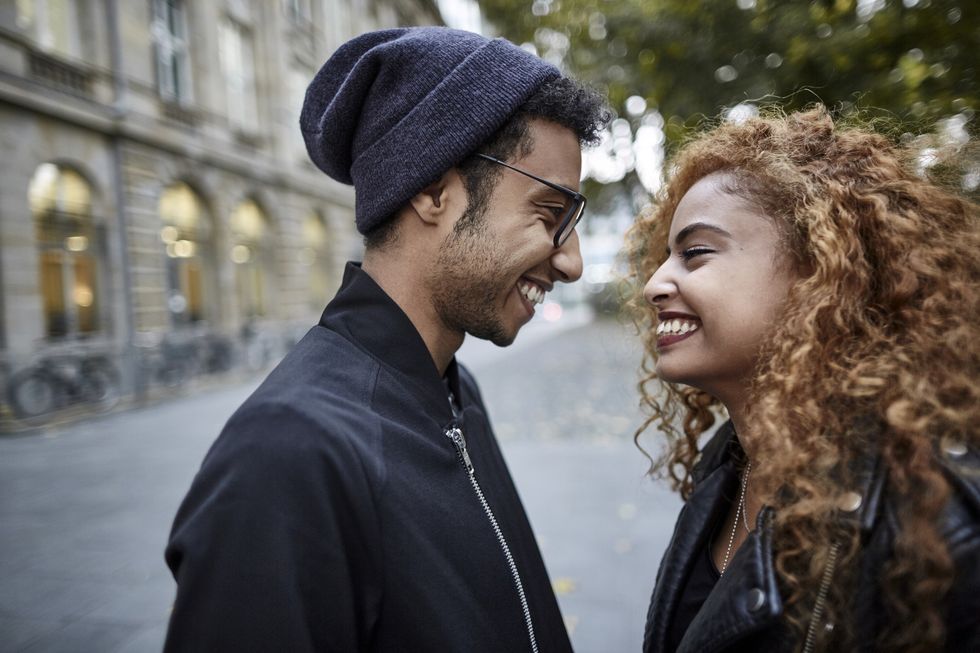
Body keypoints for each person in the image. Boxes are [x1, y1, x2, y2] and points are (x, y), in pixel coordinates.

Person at [163, 27, 607, 652]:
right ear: (433, 191)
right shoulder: (290, 452)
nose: (572, 263)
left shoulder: (453, 389)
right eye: (548, 214)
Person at [626, 107, 979, 652]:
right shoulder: (727, 463)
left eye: (694, 254)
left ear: (819, 273)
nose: (654, 284)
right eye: (664, 257)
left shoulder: (934, 509)